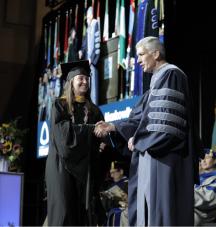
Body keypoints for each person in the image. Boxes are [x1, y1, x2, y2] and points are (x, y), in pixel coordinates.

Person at [94, 36, 200, 226]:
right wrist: (114, 127)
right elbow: (140, 117)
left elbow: (165, 125)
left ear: (156, 54)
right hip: (150, 158)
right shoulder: (155, 83)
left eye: (142, 54)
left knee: (161, 215)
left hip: (164, 159)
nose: (139, 60)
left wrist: (142, 139)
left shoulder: (171, 75)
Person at [45, 60, 106, 226]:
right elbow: (64, 136)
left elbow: (102, 139)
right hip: (61, 167)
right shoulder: (60, 105)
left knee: (83, 214)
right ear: (71, 81)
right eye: (80, 78)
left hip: (85, 169)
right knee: (65, 211)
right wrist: (91, 129)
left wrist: (103, 141)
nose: (85, 81)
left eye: (87, 78)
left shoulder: (95, 111)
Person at [194, 148, 216, 225]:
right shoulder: (198, 178)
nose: (203, 161)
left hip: (203, 216)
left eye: (207, 158)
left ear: (215, 161)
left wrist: (185, 195)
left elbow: (207, 200)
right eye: (202, 158)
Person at [79, 6, 100, 104]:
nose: (87, 19)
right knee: (88, 83)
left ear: (91, 15)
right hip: (87, 61)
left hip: (92, 60)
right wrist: (81, 51)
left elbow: (97, 43)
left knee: (93, 83)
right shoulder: (88, 28)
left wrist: (92, 58)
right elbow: (85, 43)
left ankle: (94, 104)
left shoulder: (95, 23)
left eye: (88, 16)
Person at [100, 161, 129, 226]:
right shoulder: (111, 185)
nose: (111, 176)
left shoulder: (129, 184)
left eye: (113, 172)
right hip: (110, 214)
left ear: (121, 171)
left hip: (123, 215)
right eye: (110, 173)